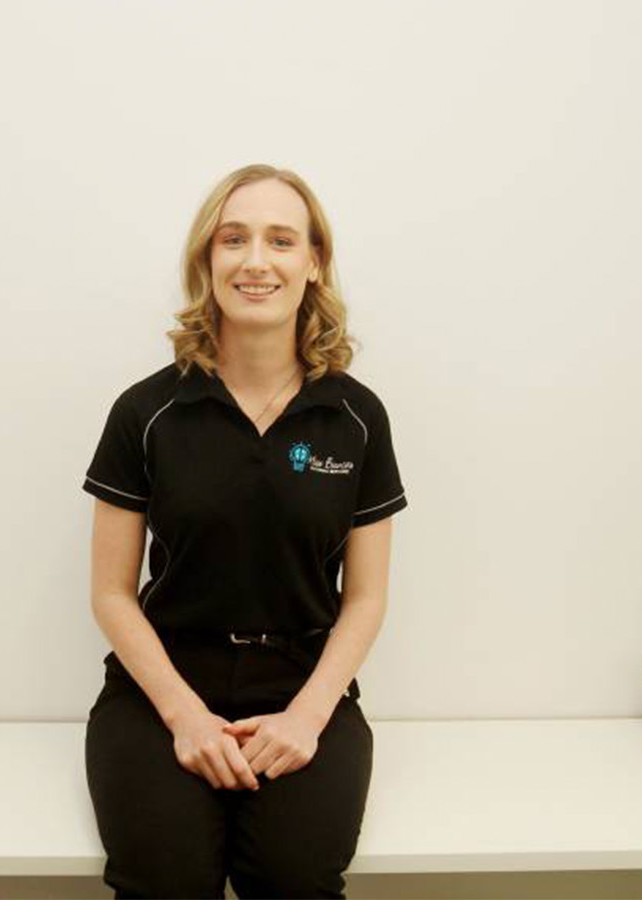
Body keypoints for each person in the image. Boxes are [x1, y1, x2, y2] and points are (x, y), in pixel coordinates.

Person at [81, 163, 406, 899]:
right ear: (208, 260)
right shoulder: (147, 412)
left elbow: (366, 597)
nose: (256, 261)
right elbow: (110, 594)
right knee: (164, 883)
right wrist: (185, 717)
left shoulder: (356, 417)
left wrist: (307, 716)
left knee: (294, 881)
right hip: (159, 687)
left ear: (314, 261)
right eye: (234, 239)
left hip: (303, 684)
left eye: (281, 240)